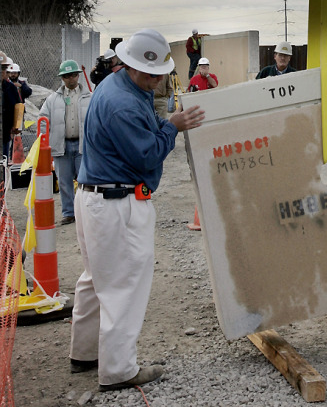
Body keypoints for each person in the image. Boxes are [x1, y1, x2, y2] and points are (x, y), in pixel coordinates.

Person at [70, 28, 204, 391]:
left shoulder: (119, 87)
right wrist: (172, 128)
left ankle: (84, 353)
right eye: (153, 75)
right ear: (132, 67)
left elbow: (142, 133)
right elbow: (145, 153)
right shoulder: (123, 103)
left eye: (161, 74)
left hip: (96, 197)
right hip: (117, 202)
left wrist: (163, 124)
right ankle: (118, 370)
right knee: (124, 284)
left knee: (96, 278)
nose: (158, 80)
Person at [40, 60, 92, 225]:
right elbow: (43, 120)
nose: (71, 79)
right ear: (62, 78)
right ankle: (69, 213)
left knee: (85, 180)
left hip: (82, 145)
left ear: (78, 76)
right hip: (60, 146)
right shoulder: (52, 100)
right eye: (67, 76)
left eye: (73, 75)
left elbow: (97, 120)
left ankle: (85, 212)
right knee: (64, 181)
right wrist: (43, 142)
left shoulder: (88, 97)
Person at [1, 51, 22, 163]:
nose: (1, 71)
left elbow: (18, 108)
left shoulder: (11, 88)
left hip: (5, 134)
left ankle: (3, 179)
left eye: (3, 68)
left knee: (3, 161)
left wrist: (16, 126)